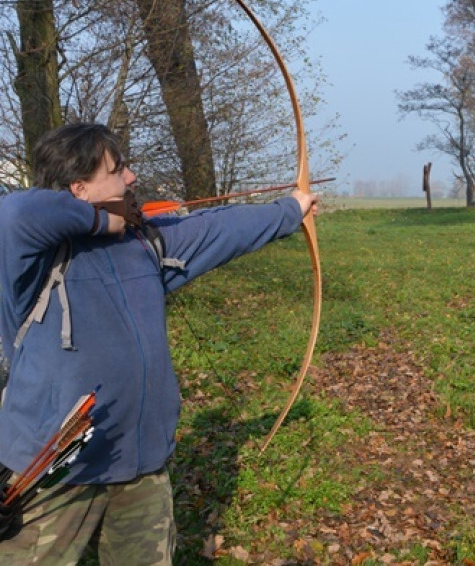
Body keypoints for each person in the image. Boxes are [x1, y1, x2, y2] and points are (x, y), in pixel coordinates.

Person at [0, 123, 318, 564]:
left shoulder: (145, 243)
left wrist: (292, 209)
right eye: (118, 169)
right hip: (56, 469)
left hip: (140, 464)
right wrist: (96, 218)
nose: (131, 177)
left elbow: (220, 227)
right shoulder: (29, 254)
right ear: (79, 189)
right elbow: (14, 211)